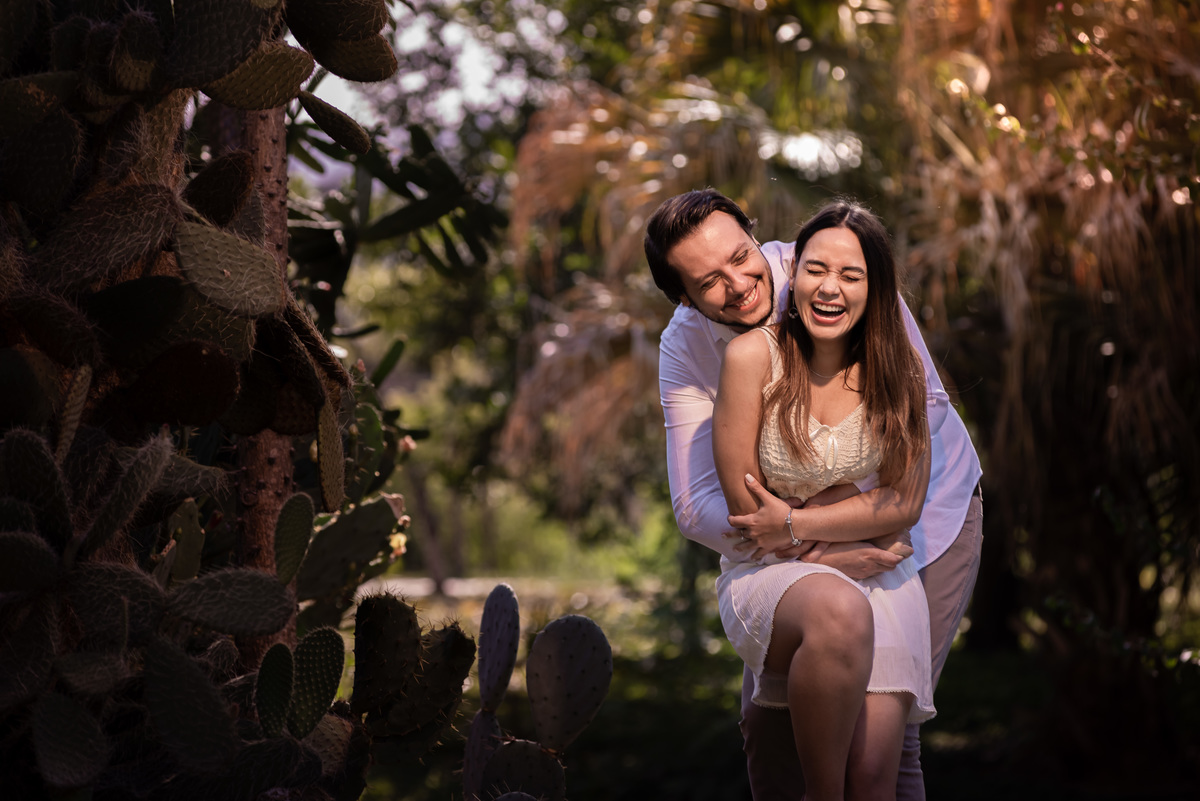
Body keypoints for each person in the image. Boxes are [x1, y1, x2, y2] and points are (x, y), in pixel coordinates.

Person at [646, 189, 983, 800]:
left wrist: (810, 524)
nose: (740, 285)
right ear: (685, 300)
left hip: (928, 517)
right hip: (782, 550)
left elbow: (923, 415)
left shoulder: (833, 266)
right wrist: (816, 552)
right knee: (767, 726)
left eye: (742, 257)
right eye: (708, 282)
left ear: (756, 236)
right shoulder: (690, 348)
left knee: (884, 746)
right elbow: (697, 504)